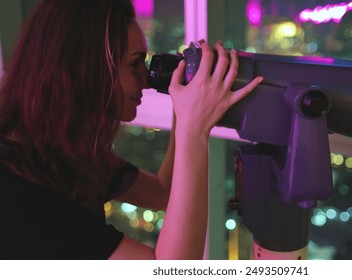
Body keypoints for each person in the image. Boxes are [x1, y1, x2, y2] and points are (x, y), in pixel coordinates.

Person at [0, 0, 263, 259]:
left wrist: (184, 100)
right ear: (88, 70)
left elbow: (163, 191)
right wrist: (194, 130)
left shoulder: (56, 147)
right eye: (134, 63)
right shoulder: (20, 191)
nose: (145, 81)